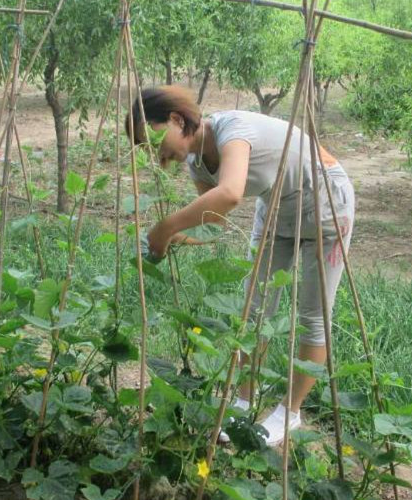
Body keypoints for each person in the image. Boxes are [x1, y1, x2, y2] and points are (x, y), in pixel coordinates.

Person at [126, 86, 355, 447]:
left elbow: (230, 193)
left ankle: (288, 413)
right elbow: (212, 222)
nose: (157, 155)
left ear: (175, 119)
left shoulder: (233, 130)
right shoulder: (196, 162)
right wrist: (166, 241)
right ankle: (244, 401)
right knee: (254, 310)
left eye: (151, 139)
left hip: (325, 202)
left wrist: (166, 226)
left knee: (313, 313)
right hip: (277, 210)